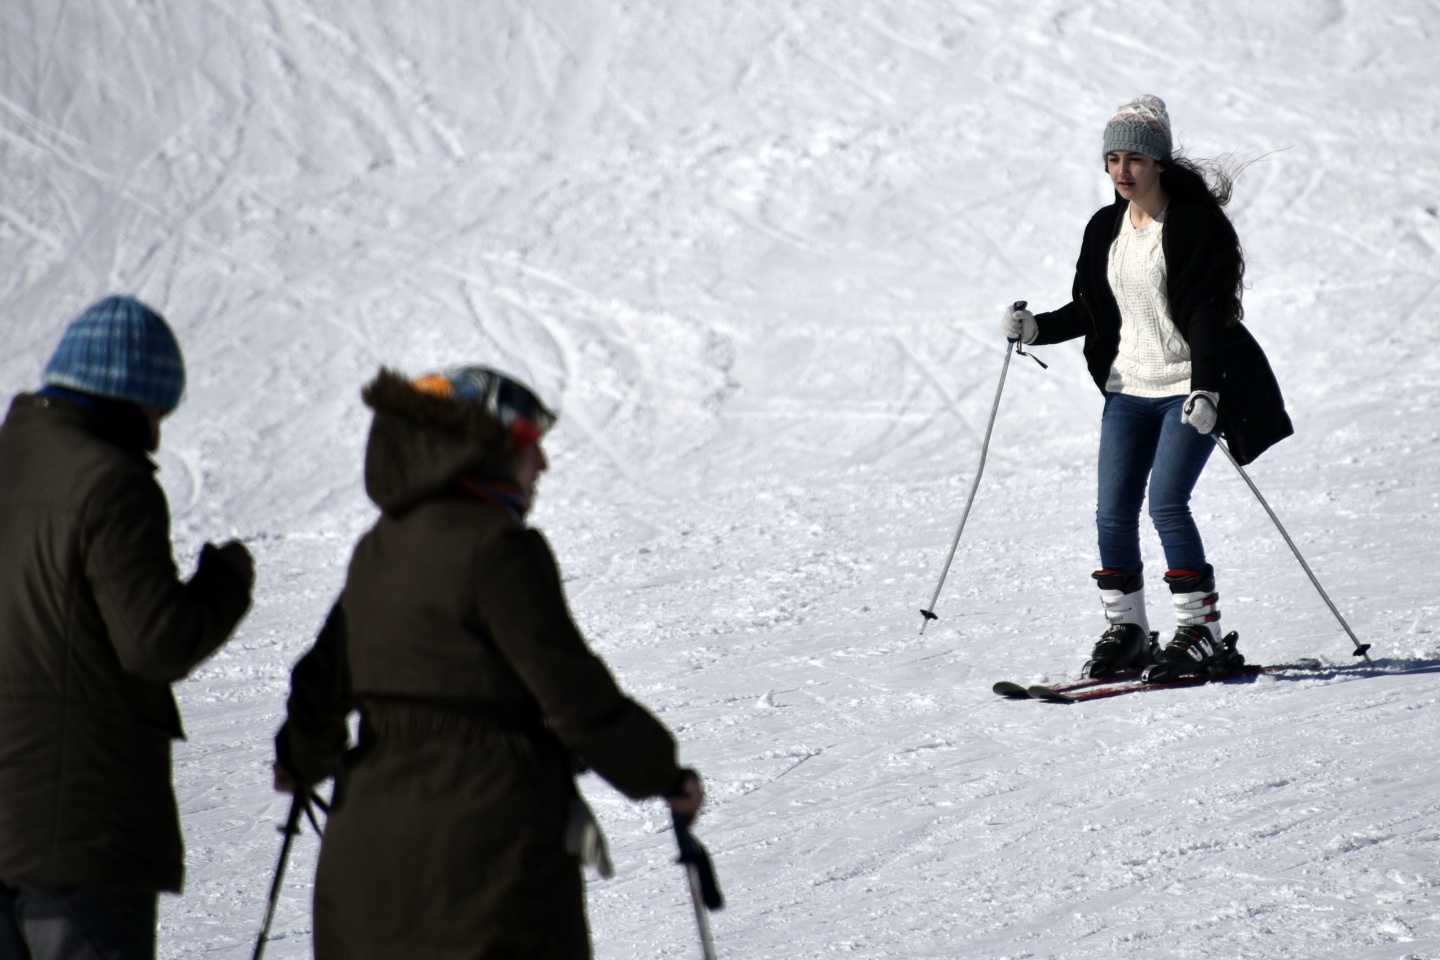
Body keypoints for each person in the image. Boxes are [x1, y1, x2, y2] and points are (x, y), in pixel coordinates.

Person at [273, 366, 704, 959]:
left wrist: (299, 759)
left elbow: (320, 684)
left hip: (365, 859)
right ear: (487, 450)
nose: (542, 467)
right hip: (480, 856)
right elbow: (571, 692)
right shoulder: (497, 548)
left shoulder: (377, 551)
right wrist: (663, 773)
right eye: (530, 446)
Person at [1003, 95, 1292, 681]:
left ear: (1158, 161)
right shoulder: (1103, 227)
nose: (1122, 170)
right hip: (1126, 390)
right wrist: (1038, 329)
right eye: (1112, 158)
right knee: (1112, 513)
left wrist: (1208, 391)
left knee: (1165, 503)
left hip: (1187, 388)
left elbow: (1209, 314)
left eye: (1134, 157)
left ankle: (1200, 632)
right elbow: (1091, 309)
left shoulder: (1190, 225)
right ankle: (1129, 632)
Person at [0, 296, 255, 959]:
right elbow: (155, 642)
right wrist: (225, 583)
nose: (157, 434)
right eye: (155, 412)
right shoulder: (110, 481)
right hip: (79, 831)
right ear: (127, 398)